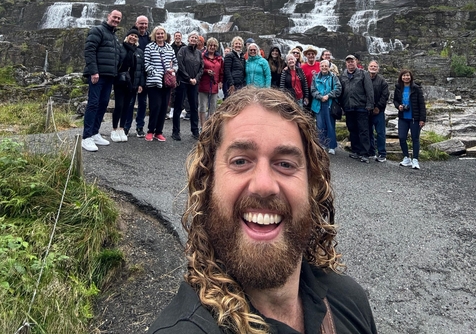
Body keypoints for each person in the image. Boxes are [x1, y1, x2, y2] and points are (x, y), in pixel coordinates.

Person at [148, 87, 378, 334]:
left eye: (285, 164)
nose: (264, 186)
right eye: (240, 161)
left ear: (313, 186)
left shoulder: (350, 298)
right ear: (207, 182)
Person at [82, 9, 122, 152]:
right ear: (108, 17)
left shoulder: (113, 36)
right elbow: (89, 50)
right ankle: (86, 137)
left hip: (109, 76)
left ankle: (95, 132)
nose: (116, 20)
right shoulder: (98, 30)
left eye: (119, 19)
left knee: (103, 104)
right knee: (93, 104)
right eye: (114, 17)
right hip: (97, 75)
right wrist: (93, 71)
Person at [144, 26, 178, 142]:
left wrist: (173, 70)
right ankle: (150, 131)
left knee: (164, 107)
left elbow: (175, 63)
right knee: (155, 106)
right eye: (157, 34)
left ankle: (159, 132)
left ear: (165, 35)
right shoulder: (149, 47)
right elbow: (146, 64)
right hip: (154, 82)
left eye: (162, 34)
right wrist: (157, 73)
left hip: (167, 82)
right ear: (154, 35)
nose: (160, 36)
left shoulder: (169, 48)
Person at [339, 55, 374, 164]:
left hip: (361, 107)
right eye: (348, 62)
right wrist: (341, 106)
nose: (350, 63)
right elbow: (341, 92)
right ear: (346, 64)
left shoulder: (363, 74)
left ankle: (365, 153)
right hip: (348, 107)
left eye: (352, 61)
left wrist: (370, 105)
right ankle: (356, 150)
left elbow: (369, 90)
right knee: (352, 129)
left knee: (363, 130)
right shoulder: (343, 76)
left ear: (356, 62)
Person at [112, 28, 144, 142]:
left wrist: (140, 84)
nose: (133, 37)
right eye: (131, 35)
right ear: (127, 36)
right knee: (119, 106)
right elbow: (116, 64)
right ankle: (114, 129)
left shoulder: (139, 52)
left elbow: (140, 69)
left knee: (127, 107)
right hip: (120, 81)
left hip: (133, 83)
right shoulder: (120, 48)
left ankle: (122, 129)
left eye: (136, 36)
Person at [172, 31, 204, 140]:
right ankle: (175, 131)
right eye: (192, 37)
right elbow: (180, 65)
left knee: (194, 107)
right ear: (188, 39)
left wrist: (196, 79)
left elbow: (201, 68)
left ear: (198, 40)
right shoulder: (182, 50)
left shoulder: (199, 53)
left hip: (194, 83)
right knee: (178, 106)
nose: (194, 39)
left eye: (196, 38)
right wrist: (188, 78)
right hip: (183, 82)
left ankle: (195, 131)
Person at [393, 69, 426, 170]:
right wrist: (399, 106)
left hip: (414, 118)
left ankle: (415, 159)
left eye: (407, 76)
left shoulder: (416, 88)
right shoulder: (398, 88)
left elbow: (422, 104)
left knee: (415, 139)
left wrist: (422, 119)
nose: (406, 77)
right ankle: (406, 157)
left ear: (411, 77)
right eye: (404, 76)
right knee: (402, 137)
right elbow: (395, 100)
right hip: (403, 117)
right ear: (401, 77)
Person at [124, 15, 150, 138]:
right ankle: (126, 126)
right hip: (131, 76)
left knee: (143, 102)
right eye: (141, 24)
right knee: (129, 102)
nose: (143, 26)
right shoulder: (131, 35)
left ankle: (140, 127)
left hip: (145, 74)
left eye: (145, 24)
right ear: (136, 24)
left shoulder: (150, 37)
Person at [311, 60, 342, 155]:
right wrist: (320, 97)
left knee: (330, 125)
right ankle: (322, 145)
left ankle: (332, 146)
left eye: (326, 66)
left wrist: (328, 96)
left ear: (329, 67)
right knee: (320, 125)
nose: (324, 67)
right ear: (320, 67)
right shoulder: (315, 77)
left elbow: (338, 89)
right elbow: (312, 90)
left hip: (330, 104)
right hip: (318, 104)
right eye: (322, 66)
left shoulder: (334, 77)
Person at [198, 37, 224, 129]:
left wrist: (220, 81)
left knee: (213, 107)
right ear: (207, 46)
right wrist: (206, 71)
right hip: (203, 84)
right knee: (202, 106)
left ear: (216, 47)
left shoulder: (219, 58)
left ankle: (210, 127)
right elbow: (199, 69)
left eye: (214, 45)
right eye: (210, 45)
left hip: (214, 85)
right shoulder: (202, 56)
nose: (212, 47)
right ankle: (202, 126)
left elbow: (221, 71)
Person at [367, 60, 389, 163]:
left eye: (375, 66)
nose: (373, 68)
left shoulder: (382, 81)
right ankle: (371, 152)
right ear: (368, 67)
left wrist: (378, 107)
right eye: (371, 66)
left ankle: (382, 153)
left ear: (378, 69)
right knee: (368, 132)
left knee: (380, 133)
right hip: (367, 110)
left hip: (378, 111)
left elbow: (385, 96)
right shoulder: (365, 79)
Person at [301, 45, 320, 110]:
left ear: (315, 55)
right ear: (306, 56)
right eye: (309, 54)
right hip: (307, 90)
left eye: (312, 54)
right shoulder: (302, 67)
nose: (311, 55)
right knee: (307, 109)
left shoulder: (320, 65)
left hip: (318, 89)